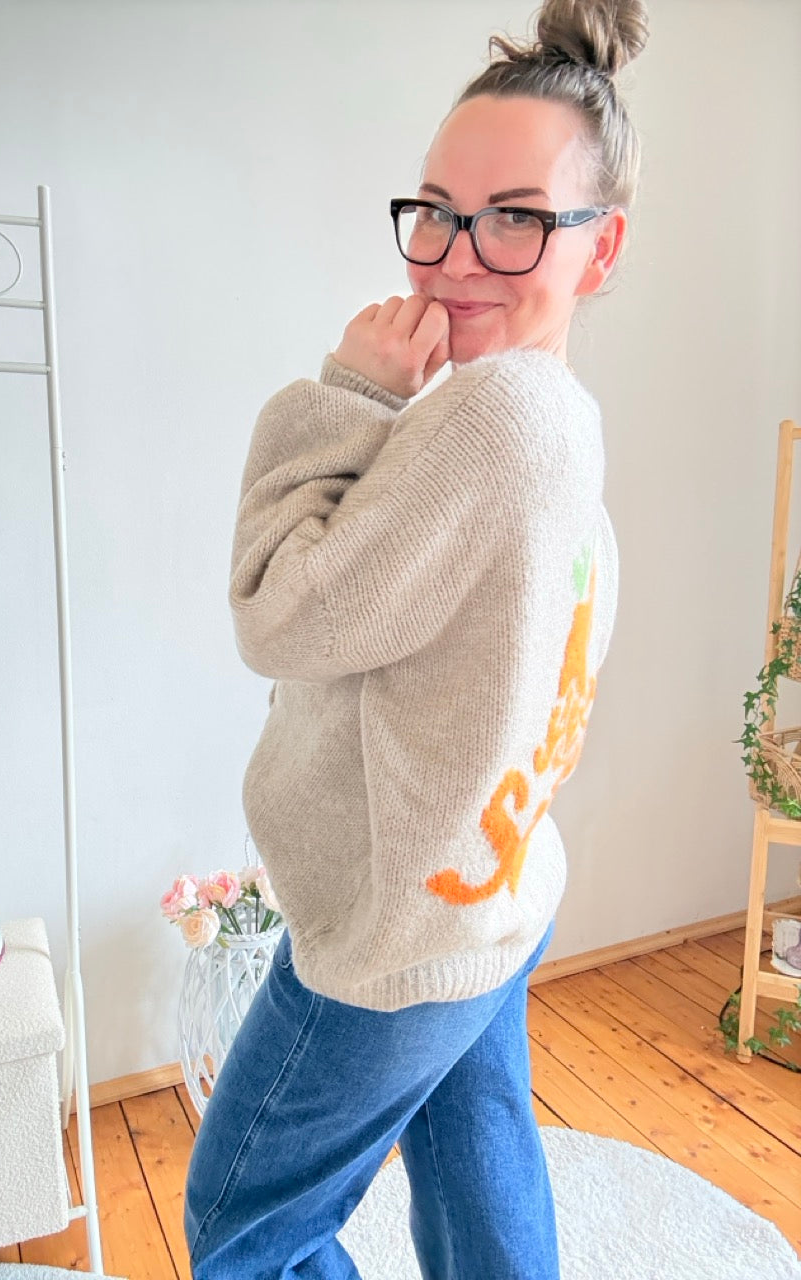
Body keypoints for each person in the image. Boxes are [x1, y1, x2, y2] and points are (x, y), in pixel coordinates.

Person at [184, 0, 647, 1275]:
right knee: (480, 1161)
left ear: (601, 248)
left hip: (397, 929)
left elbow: (277, 610)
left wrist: (349, 394)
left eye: (517, 217)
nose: (455, 256)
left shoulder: (485, 419)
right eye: (438, 209)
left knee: (244, 1226)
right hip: (493, 891)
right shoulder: (561, 415)